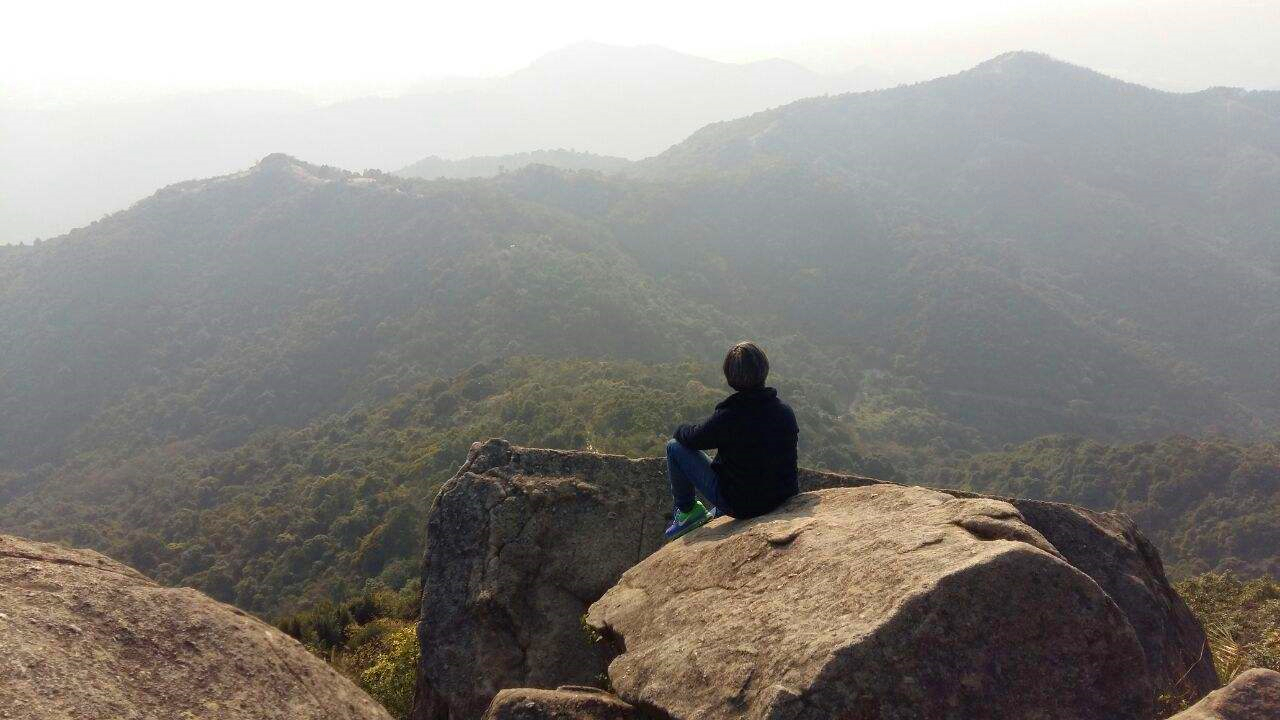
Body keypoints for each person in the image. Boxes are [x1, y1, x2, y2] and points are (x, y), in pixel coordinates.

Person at [664, 341, 799, 540]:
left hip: (743, 505)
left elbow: (693, 439)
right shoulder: (784, 411)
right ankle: (716, 511)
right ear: (764, 369)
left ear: (730, 377)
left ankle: (686, 511)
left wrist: (679, 429)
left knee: (674, 447)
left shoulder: (730, 416)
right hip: (783, 497)